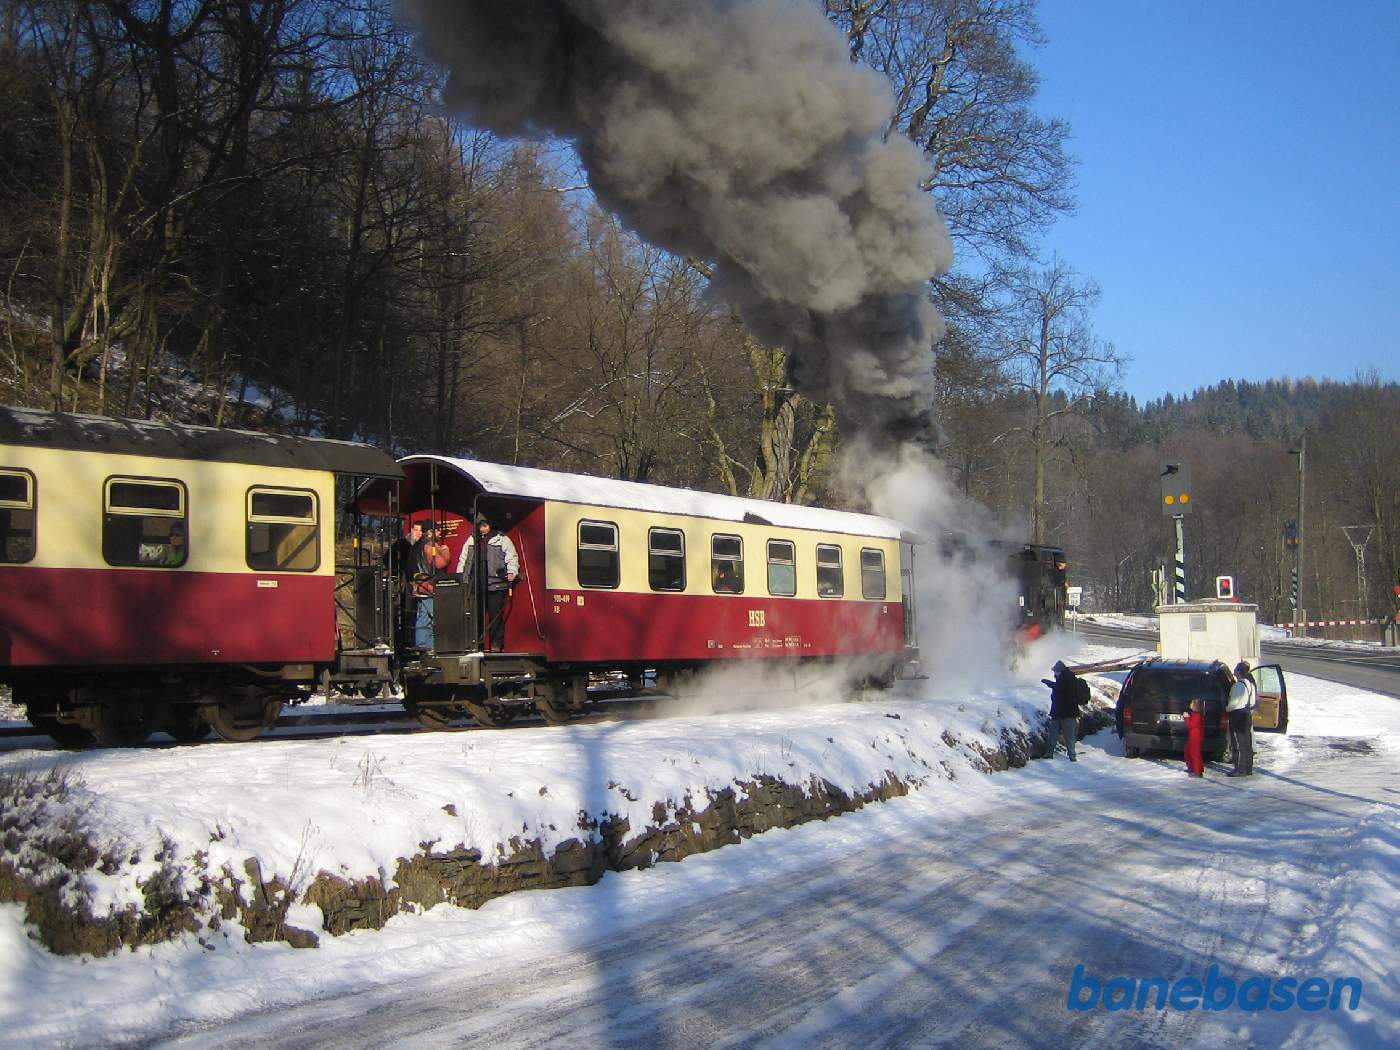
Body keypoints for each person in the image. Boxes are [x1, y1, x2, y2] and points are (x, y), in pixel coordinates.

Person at [456, 514, 520, 652]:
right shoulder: (472, 539)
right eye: (480, 526)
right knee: (475, 615)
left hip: (495, 582)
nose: (482, 529)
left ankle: (496, 644)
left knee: (495, 615)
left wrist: (512, 572)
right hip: (476, 583)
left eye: (484, 526)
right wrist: (461, 577)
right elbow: (464, 559)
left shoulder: (502, 539)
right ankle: (476, 644)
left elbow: (512, 557)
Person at [412, 521, 451, 650]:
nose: (439, 532)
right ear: (430, 532)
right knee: (436, 616)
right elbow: (441, 563)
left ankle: (423, 646)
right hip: (429, 585)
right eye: (437, 530)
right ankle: (436, 646)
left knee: (423, 617)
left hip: (420, 585)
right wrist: (445, 550)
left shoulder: (417, 545)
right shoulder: (430, 546)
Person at [1042, 660, 1085, 761]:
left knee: (1067, 736)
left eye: (1055, 671)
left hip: (1067, 713)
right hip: (1059, 712)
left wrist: (1049, 683)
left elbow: (1061, 690)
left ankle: (1071, 755)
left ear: (1059, 670)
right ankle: (1052, 753)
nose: (1054, 673)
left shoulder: (1068, 679)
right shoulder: (1063, 678)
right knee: (1060, 734)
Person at [1226, 661, 1257, 777]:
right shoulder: (1250, 684)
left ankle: (1240, 769)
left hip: (1237, 715)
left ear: (1239, 671)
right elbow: (1253, 702)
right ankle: (1248, 768)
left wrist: (1226, 708)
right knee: (1246, 743)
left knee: (1238, 743)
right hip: (1246, 713)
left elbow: (1233, 703)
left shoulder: (1238, 685)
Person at [1184, 698, 1205, 777]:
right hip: (1193, 736)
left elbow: (1191, 726)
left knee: (1194, 754)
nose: (1190, 705)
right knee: (1188, 751)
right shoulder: (1195, 714)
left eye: (1191, 703)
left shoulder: (1196, 715)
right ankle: (1193, 768)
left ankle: (1197, 771)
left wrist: (1186, 718)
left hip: (1195, 737)